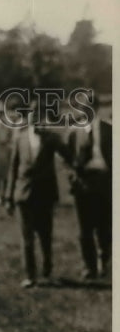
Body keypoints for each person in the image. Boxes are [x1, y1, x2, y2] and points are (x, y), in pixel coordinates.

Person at [4, 98, 70, 288]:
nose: (35, 117)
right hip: (23, 195)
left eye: (39, 114)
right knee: (26, 239)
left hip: (45, 195)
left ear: (44, 116)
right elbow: (13, 168)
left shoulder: (50, 137)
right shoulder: (20, 137)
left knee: (46, 236)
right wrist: (9, 197)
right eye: (32, 114)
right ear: (27, 116)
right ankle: (30, 275)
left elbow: (67, 154)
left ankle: (47, 271)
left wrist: (53, 135)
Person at [66, 92, 112, 281]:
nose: (86, 111)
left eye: (90, 107)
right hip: (84, 184)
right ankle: (89, 267)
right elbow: (67, 159)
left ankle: (104, 259)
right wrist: (73, 177)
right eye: (83, 107)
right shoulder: (74, 131)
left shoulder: (109, 130)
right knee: (84, 229)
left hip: (104, 181)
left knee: (104, 227)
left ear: (96, 108)